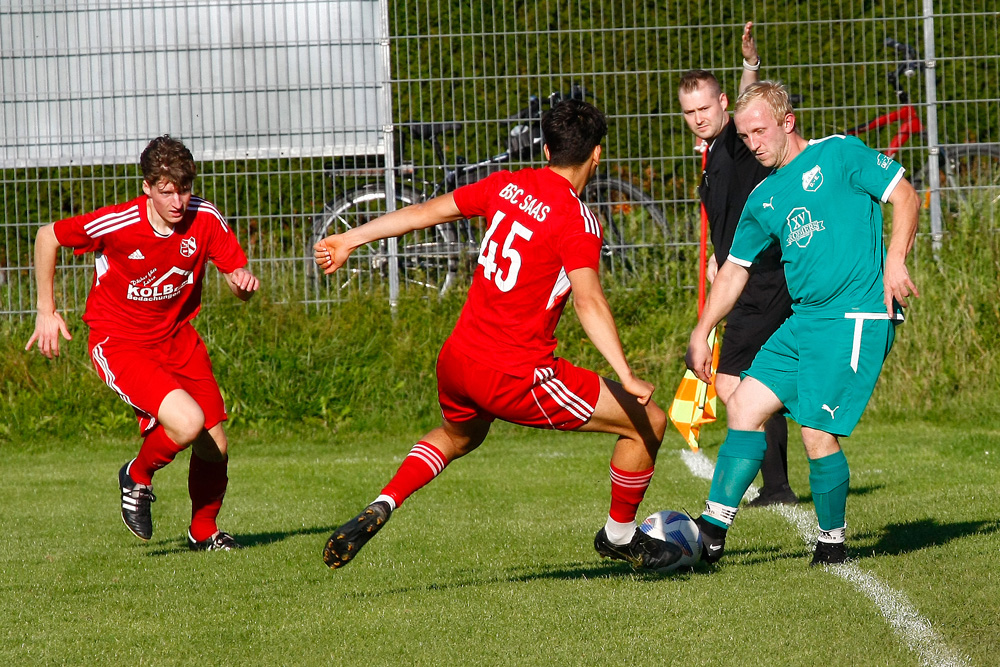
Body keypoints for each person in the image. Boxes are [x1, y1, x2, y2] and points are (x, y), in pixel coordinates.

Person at [315, 99, 679, 571]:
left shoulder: (506, 185)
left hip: (458, 359)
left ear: (546, 148)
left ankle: (384, 501)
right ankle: (620, 536)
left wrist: (349, 239)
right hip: (515, 373)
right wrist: (626, 374)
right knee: (647, 420)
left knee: (458, 437)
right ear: (597, 156)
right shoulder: (578, 219)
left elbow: (425, 212)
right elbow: (589, 300)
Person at [685, 81, 920, 566]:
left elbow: (907, 196)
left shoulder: (840, 155)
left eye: (760, 132)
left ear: (787, 122)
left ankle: (832, 544)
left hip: (856, 314)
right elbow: (733, 270)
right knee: (745, 405)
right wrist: (702, 328)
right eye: (746, 137)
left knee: (815, 430)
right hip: (806, 320)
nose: (754, 144)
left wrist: (895, 259)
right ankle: (712, 531)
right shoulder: (764, 196)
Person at [26, 135, 260, 551]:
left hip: (177, 339)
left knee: (215, 446)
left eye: (184, 189)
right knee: (187, 423)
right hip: (121, 341)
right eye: (167, 191)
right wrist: (47, 309)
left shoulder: (204, 217)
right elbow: (48, 236)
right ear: (147, 187)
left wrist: (242, 286)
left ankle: (203, 533)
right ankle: (137, 475)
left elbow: (235, 276)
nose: (177, 201)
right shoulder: (119, 223)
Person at [677, 21, 797, 507]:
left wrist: (750, 65)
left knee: (734, 383)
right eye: (690, 111)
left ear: (723, 103)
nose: (699, 117)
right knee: (750, 383)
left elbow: (750, 107)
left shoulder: (734, 140)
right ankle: (778, 485)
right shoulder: (711, 153)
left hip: (761, 281)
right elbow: (726, 213)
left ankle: (772, 484)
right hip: (741, 277)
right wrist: (716, 255)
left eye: (705, 107)